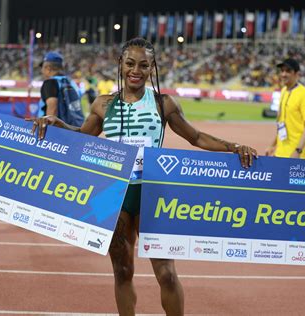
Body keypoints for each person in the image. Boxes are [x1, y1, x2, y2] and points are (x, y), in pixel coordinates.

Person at [29, 37, 257, 316]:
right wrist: (57, 123)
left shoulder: (163, 104)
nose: (136, 70)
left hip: (153, 195)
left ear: (152, 68)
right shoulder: (103, 104)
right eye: (130, 63)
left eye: (144, 65)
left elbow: (196, 137)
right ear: (120, 64)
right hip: (117, 196)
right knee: (122, 271)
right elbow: (81, 137)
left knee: (166, 274)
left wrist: (235, 147)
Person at [266, 58, 305, 159]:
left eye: (288, 71)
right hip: (281, 151)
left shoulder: (304, 94)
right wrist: (272, 145)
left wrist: (298, 150)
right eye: (282, 71)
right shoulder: (284, 91)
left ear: (297, 74)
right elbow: (282, 124)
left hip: (296, 153)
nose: (283, 74)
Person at [38, 51, 85, 126]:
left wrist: (47, 131)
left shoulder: (50, 83)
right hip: (74, 128)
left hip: (59, 132)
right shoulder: (70, 82)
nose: (42, 71)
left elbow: (52, 111)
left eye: (43, 67)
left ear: (48, 68)